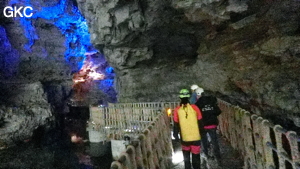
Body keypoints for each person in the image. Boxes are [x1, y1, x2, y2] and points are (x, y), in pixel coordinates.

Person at [173, 89, 205, 169]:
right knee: (196, 158)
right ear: (189, 97)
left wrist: (176, 135)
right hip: (196, 137)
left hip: (185, 138)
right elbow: (200, 122)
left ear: (180, 98)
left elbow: (176, 124)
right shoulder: (195, 108)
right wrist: (202, 133)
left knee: (187, 160)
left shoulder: (177, 110)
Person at [194, 88, 222, 165]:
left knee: (204, 141)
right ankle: (218, 156)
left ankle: (206, 154)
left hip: (203, 125)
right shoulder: (212, 101)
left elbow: (196, 114)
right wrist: (212, 115)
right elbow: (218, 111)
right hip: (212, 124)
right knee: (214, 141)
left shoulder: (198, 103)